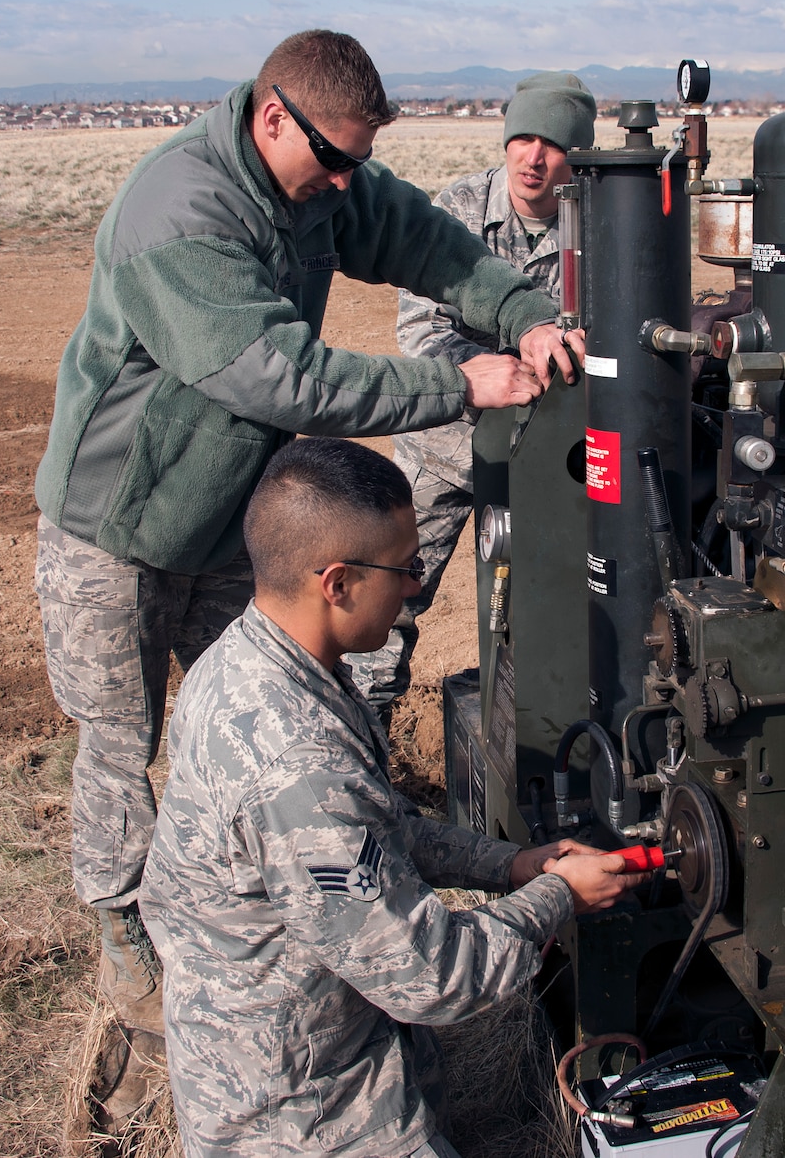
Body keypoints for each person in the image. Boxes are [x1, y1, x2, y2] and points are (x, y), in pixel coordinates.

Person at [32, 30, 585, 1122]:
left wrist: (524, 312)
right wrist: (456, 381)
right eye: (331, 160)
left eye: (355, 165)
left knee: (285, 717)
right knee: (120, 732)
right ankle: (121, 935)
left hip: (232, 521)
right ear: (270, 115)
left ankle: (323, 887)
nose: (343, 183)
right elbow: (276, 371)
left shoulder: (326, 180)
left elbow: (432, 243)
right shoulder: (178, 210)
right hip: (120, 526)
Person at [141, 438, 639, 1157]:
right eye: (404, 568)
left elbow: (378, 826)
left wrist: (511, 864)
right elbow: (432, 975)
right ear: (336, 582)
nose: (414, 584)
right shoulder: (296, 763)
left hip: (306, 1043)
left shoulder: (256, 660)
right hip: (303, 1113)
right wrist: (560, 895)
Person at [345, 71, 596, 712]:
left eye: (553, 144)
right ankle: (361, 739)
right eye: (523, 138)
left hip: (550, 464)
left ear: (580, 155)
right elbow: (422, 328)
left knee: (549, 610)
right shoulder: (456, 212)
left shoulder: (599, 231)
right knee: (384, 605)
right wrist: (495, 374)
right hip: (445, 449)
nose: (533, 158)